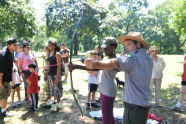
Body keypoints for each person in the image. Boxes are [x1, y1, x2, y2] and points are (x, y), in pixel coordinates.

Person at [84, 32, 153, 124]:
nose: (126, 47)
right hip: (142, 104)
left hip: (134, 106)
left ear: (138, 44)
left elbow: (116, 62)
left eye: (129, 44)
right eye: (125, 45)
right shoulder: (147, 57)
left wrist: (95, 63)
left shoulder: (132, 56)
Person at [98, 37, 118, 124]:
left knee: (106, 116)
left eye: (107, 47)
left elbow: (96, 67)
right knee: (106, 114)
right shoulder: (106, 58)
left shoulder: (115, 60)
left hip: (109, 90)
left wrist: (76, 66)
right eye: (104, 47)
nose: (104, 49)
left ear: (113, 47)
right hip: (103, 89)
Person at [42, 39, 62, 112]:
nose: (48, 46)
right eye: (48, 45)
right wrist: (45, 74)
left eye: (50, 45)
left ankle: (56, 105)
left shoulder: (57, 54)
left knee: (56, 90)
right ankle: (49, 103)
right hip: (49, 75)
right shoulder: (49, 53)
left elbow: (59, 67)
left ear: (54, 46)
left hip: (55, 75)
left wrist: (57, 78)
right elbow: (48, 65)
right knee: (50, 90)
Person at [0, 38, 18, 117]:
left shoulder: (9, 51)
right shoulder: (5, 55)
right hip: (4, 79)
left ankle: (1, 109)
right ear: (9, 45)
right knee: (4, 96)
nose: (16, 46)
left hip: (6, 77)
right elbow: (0, 72)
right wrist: (0, 83)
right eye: (14, 45)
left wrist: (13, 64)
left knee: (2, 96)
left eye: (16, 44)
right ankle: (3, 112)